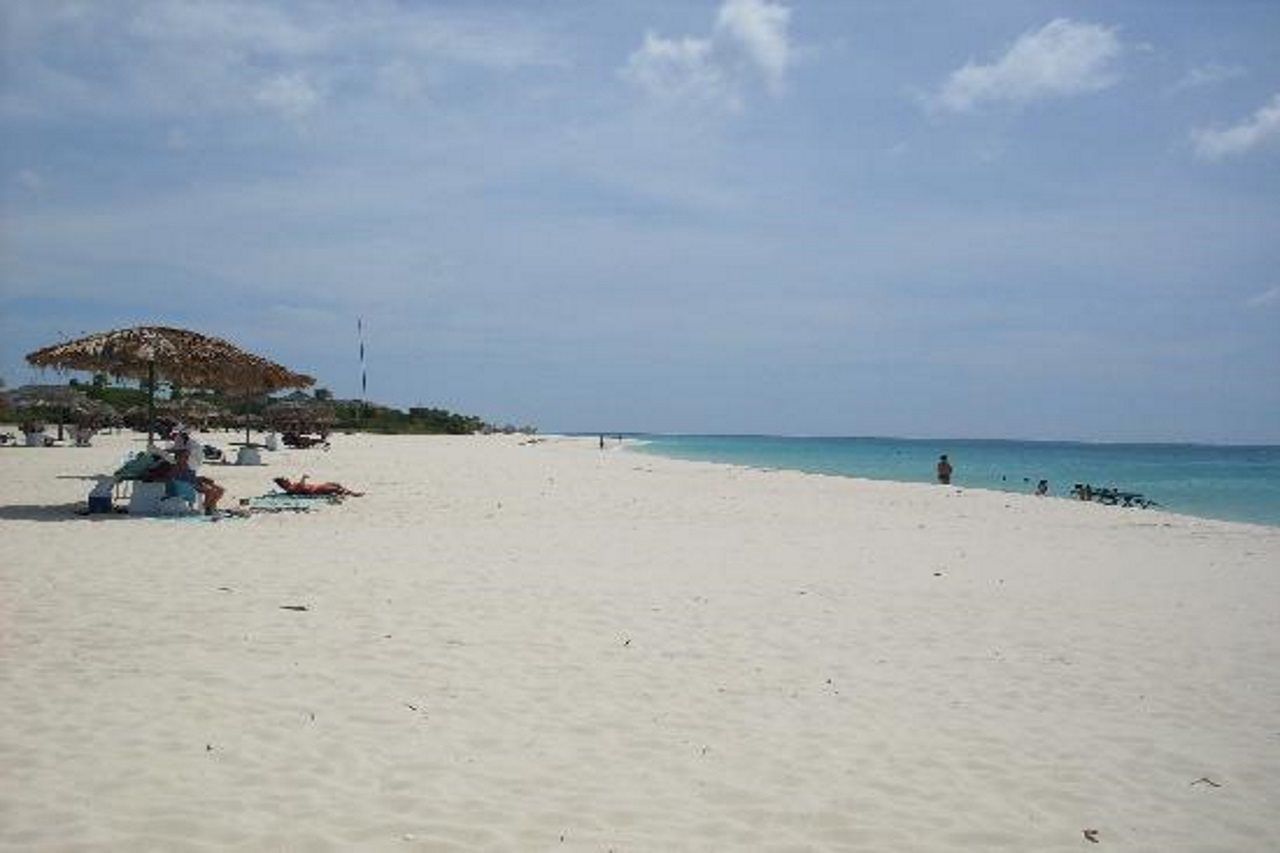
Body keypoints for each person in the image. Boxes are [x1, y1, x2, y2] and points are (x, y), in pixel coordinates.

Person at [169, 446, 225, 514]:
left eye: (187, 456)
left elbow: (190, 476)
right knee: (210, 491)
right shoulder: (176, 467)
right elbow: (178, 478)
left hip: (192, 482)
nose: (187, 458)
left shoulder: (186, 465)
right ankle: (206, 508)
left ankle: (211, 506)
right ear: (178, 457)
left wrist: (202, 478)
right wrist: (197, 480)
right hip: (186, 485)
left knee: (220, 489)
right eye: (185, 456)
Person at [273, 475, 363, 497]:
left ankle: (347, 491)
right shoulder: (290, 488)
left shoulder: (291, 486)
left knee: (335, 484)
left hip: (317, 486)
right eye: (285, 480)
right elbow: (301, 486)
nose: (287, 479)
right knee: (334, 489)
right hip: (315, 490)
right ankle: (353, 494)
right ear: (283, 484)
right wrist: (303, 478)